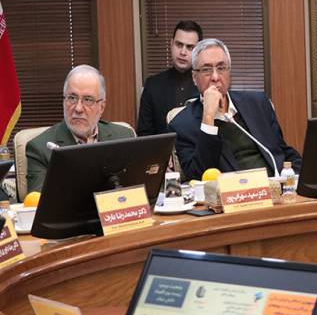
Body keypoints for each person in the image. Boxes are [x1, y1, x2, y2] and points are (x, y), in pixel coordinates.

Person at [169, 38, 301, 180]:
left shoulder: (257, 103)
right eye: (206, 70)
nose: (215, 77)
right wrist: (208, 118)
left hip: (274, 186)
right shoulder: (182, 124)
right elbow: (198, 176)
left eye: (221, 68)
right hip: (232, 191)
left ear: (229, 72)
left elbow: (282, 152)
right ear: (194, 78)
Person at [26, 65, 134, 193]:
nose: (78, 108)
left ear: (101, 107)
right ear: (64, 101)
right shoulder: (40, 148)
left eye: (88, 100)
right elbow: (40, 201)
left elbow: (138, 190)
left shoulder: (124, 137)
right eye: (72, 98)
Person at [136, 20, 203, 136]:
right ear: (171, 44)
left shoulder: (206, 85)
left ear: (198, 51)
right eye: (179, 45)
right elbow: (144, 134)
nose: (183, 52)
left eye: (190, 47)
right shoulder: (152, 85)